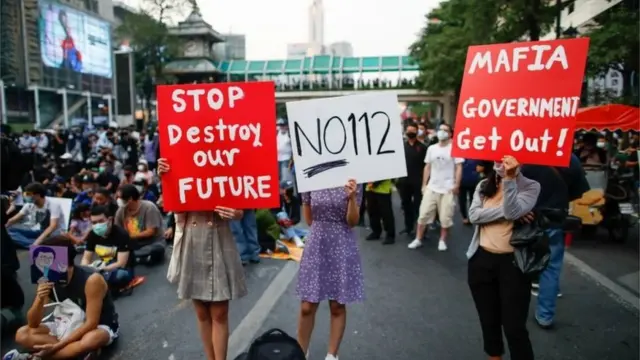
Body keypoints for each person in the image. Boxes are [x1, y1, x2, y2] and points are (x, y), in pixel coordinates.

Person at [157, 158, 246, 360]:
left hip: (220, 237)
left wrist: (235, 212)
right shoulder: (182, 157)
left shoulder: (229, 160)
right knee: (202, 313)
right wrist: (166, 177)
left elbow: (242, 207)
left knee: (220, 312)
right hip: (193, 239)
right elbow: (176, 207)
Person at [466, 156, 541, 360]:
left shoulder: (531, 186)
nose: (502, 164)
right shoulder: (484, 184)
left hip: (513, 265)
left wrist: (509, 181)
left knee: (514, 326)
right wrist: (511, 214)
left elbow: (511, 210)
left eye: (507, 159)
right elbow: (474, 216)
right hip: (481, 261)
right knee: (488, 320)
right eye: (498, 159)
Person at [5, 236, 119, 360]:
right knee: (22, 334)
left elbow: (91, 323)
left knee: (92, 339)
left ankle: (36, 357)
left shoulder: (91, 280)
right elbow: (33, 323)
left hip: (97, 325)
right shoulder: (46, 276)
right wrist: (40, 298)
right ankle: (73, 353)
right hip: (66, 322)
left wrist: (56, 347)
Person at [296, 179, 364, 360]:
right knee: (307, 306)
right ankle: (300, 352)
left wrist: (351, 198)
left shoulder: (354, 179)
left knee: (337, 305)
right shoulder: (309, 176)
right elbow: (309, 219)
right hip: (317, 244)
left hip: (342, 243)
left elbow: (353, 221)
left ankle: (332, 355)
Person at [521, 153, 589, 329]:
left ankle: (514, 310)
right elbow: (578, 191)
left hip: (525, 219)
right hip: (554, 220)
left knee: (517, 263)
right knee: (551, 268)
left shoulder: (525, 152)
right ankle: (545, 315)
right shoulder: (570, 157)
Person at [409, 123, 463, 251]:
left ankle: (442, 240)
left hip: (447, 188)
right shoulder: (431, 148)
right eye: (441, 130)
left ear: (450, 134)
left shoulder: (454, 148)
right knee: (423, 214)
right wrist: (424, 184)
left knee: (445, 217)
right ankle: (418, 239)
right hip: (432, 187)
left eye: (445, 130)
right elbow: (427, 167)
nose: (442, 132)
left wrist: (456, 185)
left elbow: (459, 167)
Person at [81, 205, 137, 291]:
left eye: (101, 221)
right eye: (94, 223)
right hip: (102, 267)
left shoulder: (121, 234)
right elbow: (86, 258)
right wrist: (86, 269)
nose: (97, 225)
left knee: (120, 275)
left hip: (121, 268)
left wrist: (100, 270)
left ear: (109, 220)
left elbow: (121, 263)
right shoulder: (92, 235)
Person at [114, 185, 165, 265]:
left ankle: (133, 258)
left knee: (157, 250)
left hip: (151, 242)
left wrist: (129, 236)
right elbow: (117, 229)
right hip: (132, 244)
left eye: (120, 197)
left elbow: (150, 232)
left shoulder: (149, 207)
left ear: (130, 199)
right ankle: (138, 258)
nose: (118, 200)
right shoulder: (120, 211)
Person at [6, 182, 65, 248]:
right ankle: (35, 244)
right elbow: (12, 220)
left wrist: (37, 241)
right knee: (9, 232)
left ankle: (33, 244)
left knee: (11, 237)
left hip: (53, 235)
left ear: (37, 195)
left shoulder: (53, 205)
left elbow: (52, 227)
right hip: (40, 232)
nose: (25, 196)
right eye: (25, 194)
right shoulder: (29, 204)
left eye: (28, 194)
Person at [396, 123, 428, 238]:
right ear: (406, 132)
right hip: (404, 181)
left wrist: (426, 181)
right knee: (406, 204)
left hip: (418, 181)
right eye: (409, 130)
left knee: (419, 205)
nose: (410, 132)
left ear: (417, 131)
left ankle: (420, 229)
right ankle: (408, 227)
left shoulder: (423, 147)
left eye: (413, 130)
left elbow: (427, 166)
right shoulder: (401, 147)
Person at [276, 180, 306, 248]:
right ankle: (295, 238)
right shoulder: (277, 199)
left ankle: (289, 236)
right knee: (282, 214)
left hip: (289, 227)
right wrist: (280, 221)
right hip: (279, 226)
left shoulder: (294, 200)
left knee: (308, 233)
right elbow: (272, 214)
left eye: (290, 189)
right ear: (281, 189)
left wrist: (290, 222)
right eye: (287, 189)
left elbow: (297, 218)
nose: (289, 191)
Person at [364, 179, 396, 244]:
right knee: (372, 210)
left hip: (383, 189)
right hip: (370, 187)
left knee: (386, 213)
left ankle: (390, 235)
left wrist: (375, 183)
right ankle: (376, 232)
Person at [460, 159, 482, 224]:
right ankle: (470, 215)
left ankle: (465, 217)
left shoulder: (460, 156)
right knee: (471, 199)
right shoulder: (476, 155)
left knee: (462, 199)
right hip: (472, 179)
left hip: (464, 179)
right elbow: (480, 168)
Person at [276, 118, 293, 182]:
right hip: (278, 158)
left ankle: (288, 190)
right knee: (278, 176)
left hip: (286, 158)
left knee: (285, 176)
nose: (282, 127)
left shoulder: (289, 134)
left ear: (286, 126)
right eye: (280, 125)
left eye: (283, 125)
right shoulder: (277, 132)